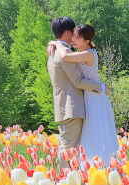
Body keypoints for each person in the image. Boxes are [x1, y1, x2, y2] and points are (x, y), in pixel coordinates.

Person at [48, 24, 118, 167]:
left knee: (96, 133)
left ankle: (102, 167)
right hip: (86, 97)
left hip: (94, 96)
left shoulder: (87, 54)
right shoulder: (77, 52)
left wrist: (55, 42)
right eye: (73, 35)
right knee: (86, 137)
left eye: (77, 37)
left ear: (86, 40)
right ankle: (89, 169)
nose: (73, 39)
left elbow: (66, 56)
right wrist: (54, 42)